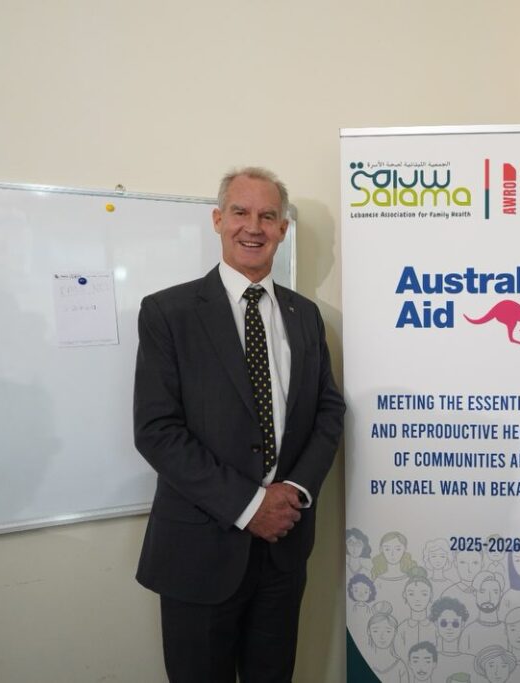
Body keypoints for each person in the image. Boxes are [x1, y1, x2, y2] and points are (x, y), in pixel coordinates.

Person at [133, 166, 346, 682]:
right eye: (240, 212)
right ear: (217, 220)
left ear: (283, 229)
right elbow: (157, 430)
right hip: (199, 552)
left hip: (283, 550)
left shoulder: (305, 315)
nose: (254, 227)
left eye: (268, 216)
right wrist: (250, 506)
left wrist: (294, 490)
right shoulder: (168, 313)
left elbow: (328, 410)